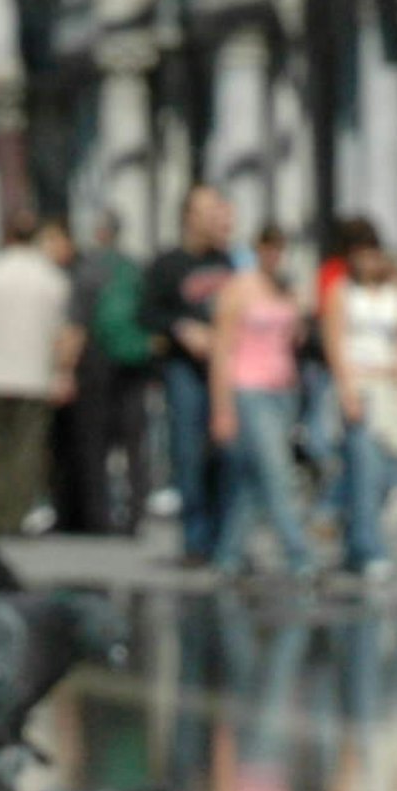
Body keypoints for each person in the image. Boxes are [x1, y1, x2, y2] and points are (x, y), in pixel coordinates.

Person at [207, 224, 315, 578]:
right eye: (269, 248)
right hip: (248, 388)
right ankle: (300, 554)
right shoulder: (238, 290)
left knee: (254, 480)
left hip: (282, 389)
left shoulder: (282, 288)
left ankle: (228, 555)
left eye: (280, 249)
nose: (275, 256)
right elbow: (221, 351)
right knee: (277, 471)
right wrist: (222, 408)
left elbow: (295, 340)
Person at [0, 213, 76, 533]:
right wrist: (63, 372)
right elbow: (65, 333)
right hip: (34, 375)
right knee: (26, 449)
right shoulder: (51, 277)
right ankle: (17, 513)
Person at [138, 186, 237, 562]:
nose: (216, 218)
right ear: (189, 218)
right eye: (208, 211)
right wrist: (180, 328)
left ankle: (224, 536)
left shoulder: (231, 263)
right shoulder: (168, 265)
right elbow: (146, 314)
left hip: (226, 369)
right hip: (186, 371)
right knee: (188, 453)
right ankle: (196, 538)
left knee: (226, 454)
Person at [322, 218, 397, 580]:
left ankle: (354, 535)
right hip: (359, 383)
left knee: (386, 473)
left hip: (390, 385)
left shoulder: (396, 292)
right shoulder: (342, 291)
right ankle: (368, 548)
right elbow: (335, 343)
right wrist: (346, 389)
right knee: (363, 469)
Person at [59, 211, 139, 534]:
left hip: (96, 361)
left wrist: (64, 370)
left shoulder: (88, 269)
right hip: (133, 361)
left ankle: (99, 517)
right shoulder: (133, 268)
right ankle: (135, 515)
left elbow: (76, 324)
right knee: (135, 442)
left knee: (93, 442)